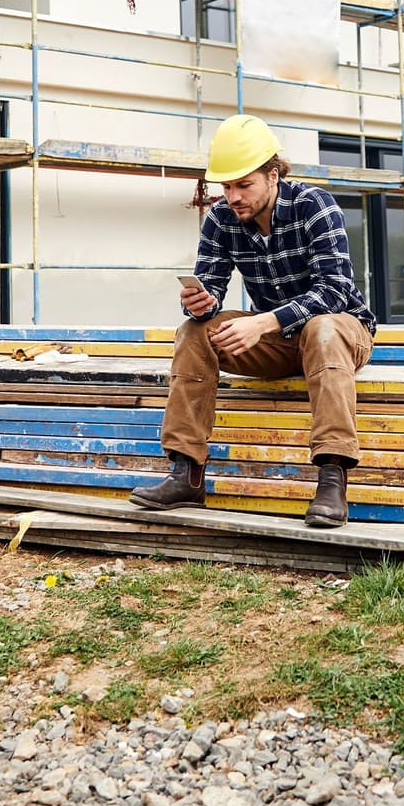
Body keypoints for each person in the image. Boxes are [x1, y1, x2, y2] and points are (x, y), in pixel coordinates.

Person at [129, 115, 376, 527]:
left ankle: (332, 480)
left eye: (244, 185)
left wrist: (263, 323)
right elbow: (209, 294)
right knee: (193, 332)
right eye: (226, 186)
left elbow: (334, 291)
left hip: (341, 334)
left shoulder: (315, 205)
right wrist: (200, 303)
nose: (234, 196)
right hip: (280, 344)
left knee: (323, 327)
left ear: (274, 175)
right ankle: (186, 473)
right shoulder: (222, 219)